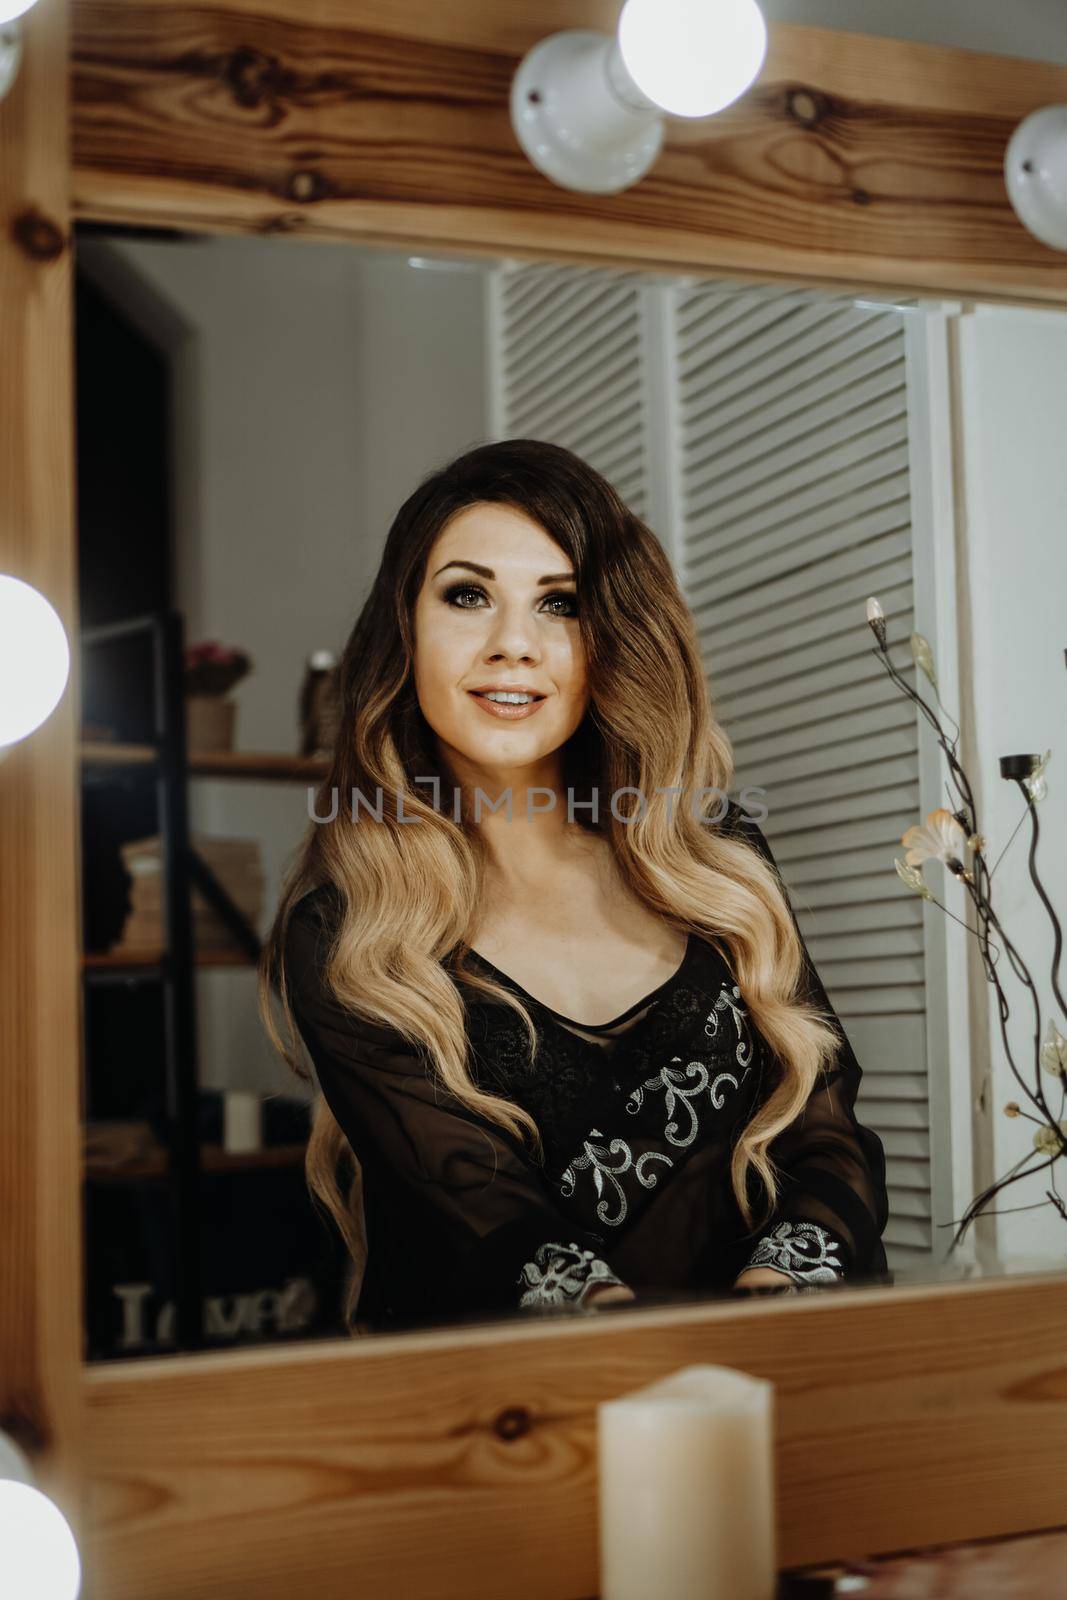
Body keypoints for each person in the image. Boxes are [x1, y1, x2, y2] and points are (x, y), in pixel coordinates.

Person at [259, 439, 890, 1333]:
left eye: (559, 604)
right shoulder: (351, 933)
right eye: (467, 595)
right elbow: (493, 1232)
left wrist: (767, 1319)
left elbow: (829, 1138)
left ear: (607, 640)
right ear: (404, 627)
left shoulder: (714, 862)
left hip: (770, 1390)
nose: (513, 645)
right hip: (515, 1425)